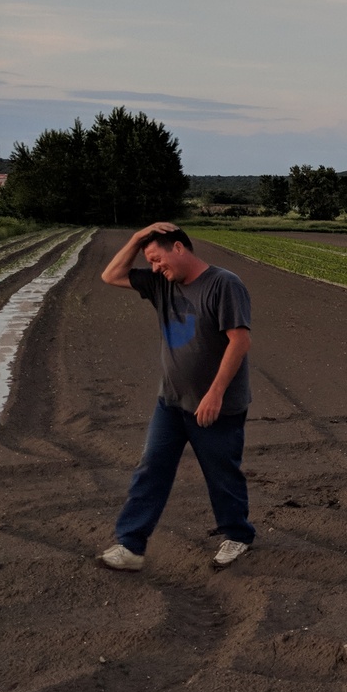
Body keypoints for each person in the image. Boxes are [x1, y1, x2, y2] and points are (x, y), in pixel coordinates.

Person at [96, 222, 256, 571]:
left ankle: (238, 535)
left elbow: (239, 341)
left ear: (179, 248)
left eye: (157, 259)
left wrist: (215, 393)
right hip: (170, 401)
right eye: (149, 262)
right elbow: (110, 275)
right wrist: (138, 238)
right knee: (151, 468)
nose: (154, 268)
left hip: (216, 405)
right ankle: (131, 546)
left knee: (222, 474)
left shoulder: (223, 284)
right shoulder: (160, 284)